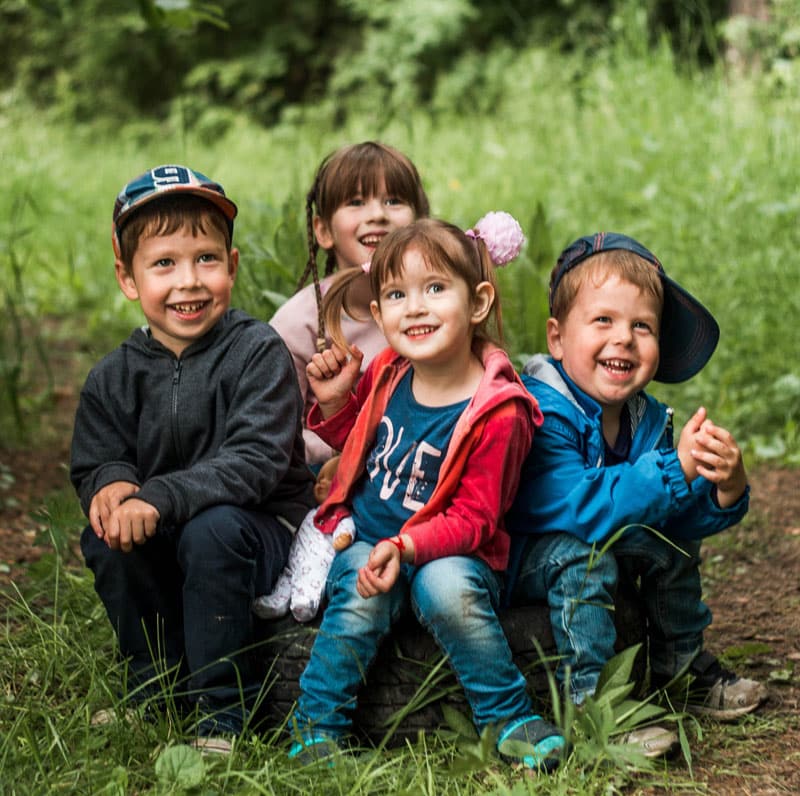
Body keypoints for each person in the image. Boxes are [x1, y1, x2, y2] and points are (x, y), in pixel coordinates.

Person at [287, 213, 566, 773]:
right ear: (378, 314)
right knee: (360, 599)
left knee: (447, 589)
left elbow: (477, 518)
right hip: (370, 538)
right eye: (396, 294)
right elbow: (364, 447)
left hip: (455, 552)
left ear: (478, 302)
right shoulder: (390, 370)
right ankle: (315, 726)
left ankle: (506, 715)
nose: (414, 307)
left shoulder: (500, 410)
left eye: (435, 289)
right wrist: (340, 403)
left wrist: (410, 548)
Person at [70, 164, 315, 753]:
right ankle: (154, 689)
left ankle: (223, 712)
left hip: (261, 532)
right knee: (109, 536)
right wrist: (111, 486)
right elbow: (98, 456)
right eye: (164, 264)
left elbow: (255, 461)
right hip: (170, 530)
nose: (189, 281)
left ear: (231, 266)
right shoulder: (114, 377)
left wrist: (158, 496)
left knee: (212, 531)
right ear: (127, 278)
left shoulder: (257, 352)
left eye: (206, 259)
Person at [506, 232, 766, 756]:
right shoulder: (539, 410)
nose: (623, 338)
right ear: (557, 339)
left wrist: (722, 488)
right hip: (528, 556)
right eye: (602, 320)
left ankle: (680, 665)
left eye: (641, 326)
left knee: (666, 543)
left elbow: (664, 512)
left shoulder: (643, 418)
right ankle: (598, 705)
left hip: (594, 539)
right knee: (585, 558)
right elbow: (576, 504)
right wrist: (673, 470)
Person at [270, 141, 430, 467]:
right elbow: (278, 435)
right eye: (356, 202)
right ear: (324, 231)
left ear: (421, 223)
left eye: (394, 200)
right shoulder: (297, 324)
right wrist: (346, 449)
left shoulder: (441, 307)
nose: (378, 215)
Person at [253, 456, 357, 622]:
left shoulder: (340, 516)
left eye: (327, 479)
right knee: (285, 580)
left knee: (310, 581)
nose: (320, 483)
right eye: (319, 477)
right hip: (295, 559)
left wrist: (343, 537)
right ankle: (275, 603)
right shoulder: (312, 512)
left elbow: (346, 528)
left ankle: (305, 603)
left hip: (315, 561)